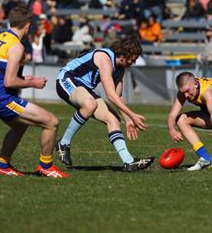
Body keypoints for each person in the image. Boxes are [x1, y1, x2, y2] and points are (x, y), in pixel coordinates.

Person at [55, 36, 154, 172]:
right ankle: (64, 142)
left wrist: (127, 120)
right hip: (67, 79)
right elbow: (111, 95)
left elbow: (118, 95)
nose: (134, 62)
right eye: (133, 59)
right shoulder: (105, 58)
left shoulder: (121, 67)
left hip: (84, 88)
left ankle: (129, 161)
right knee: (90, 104)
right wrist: (132, 115)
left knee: (113, 120)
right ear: (124, 55)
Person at [0, 5, 69, 177]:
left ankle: (2, 165)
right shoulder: (16, 46)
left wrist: (26, 79)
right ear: (27, 25)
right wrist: (33, 83)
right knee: (51, 122)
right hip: (2, 98)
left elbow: (1, 73)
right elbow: (9, 81)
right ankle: (46, 166)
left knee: (19, 126)